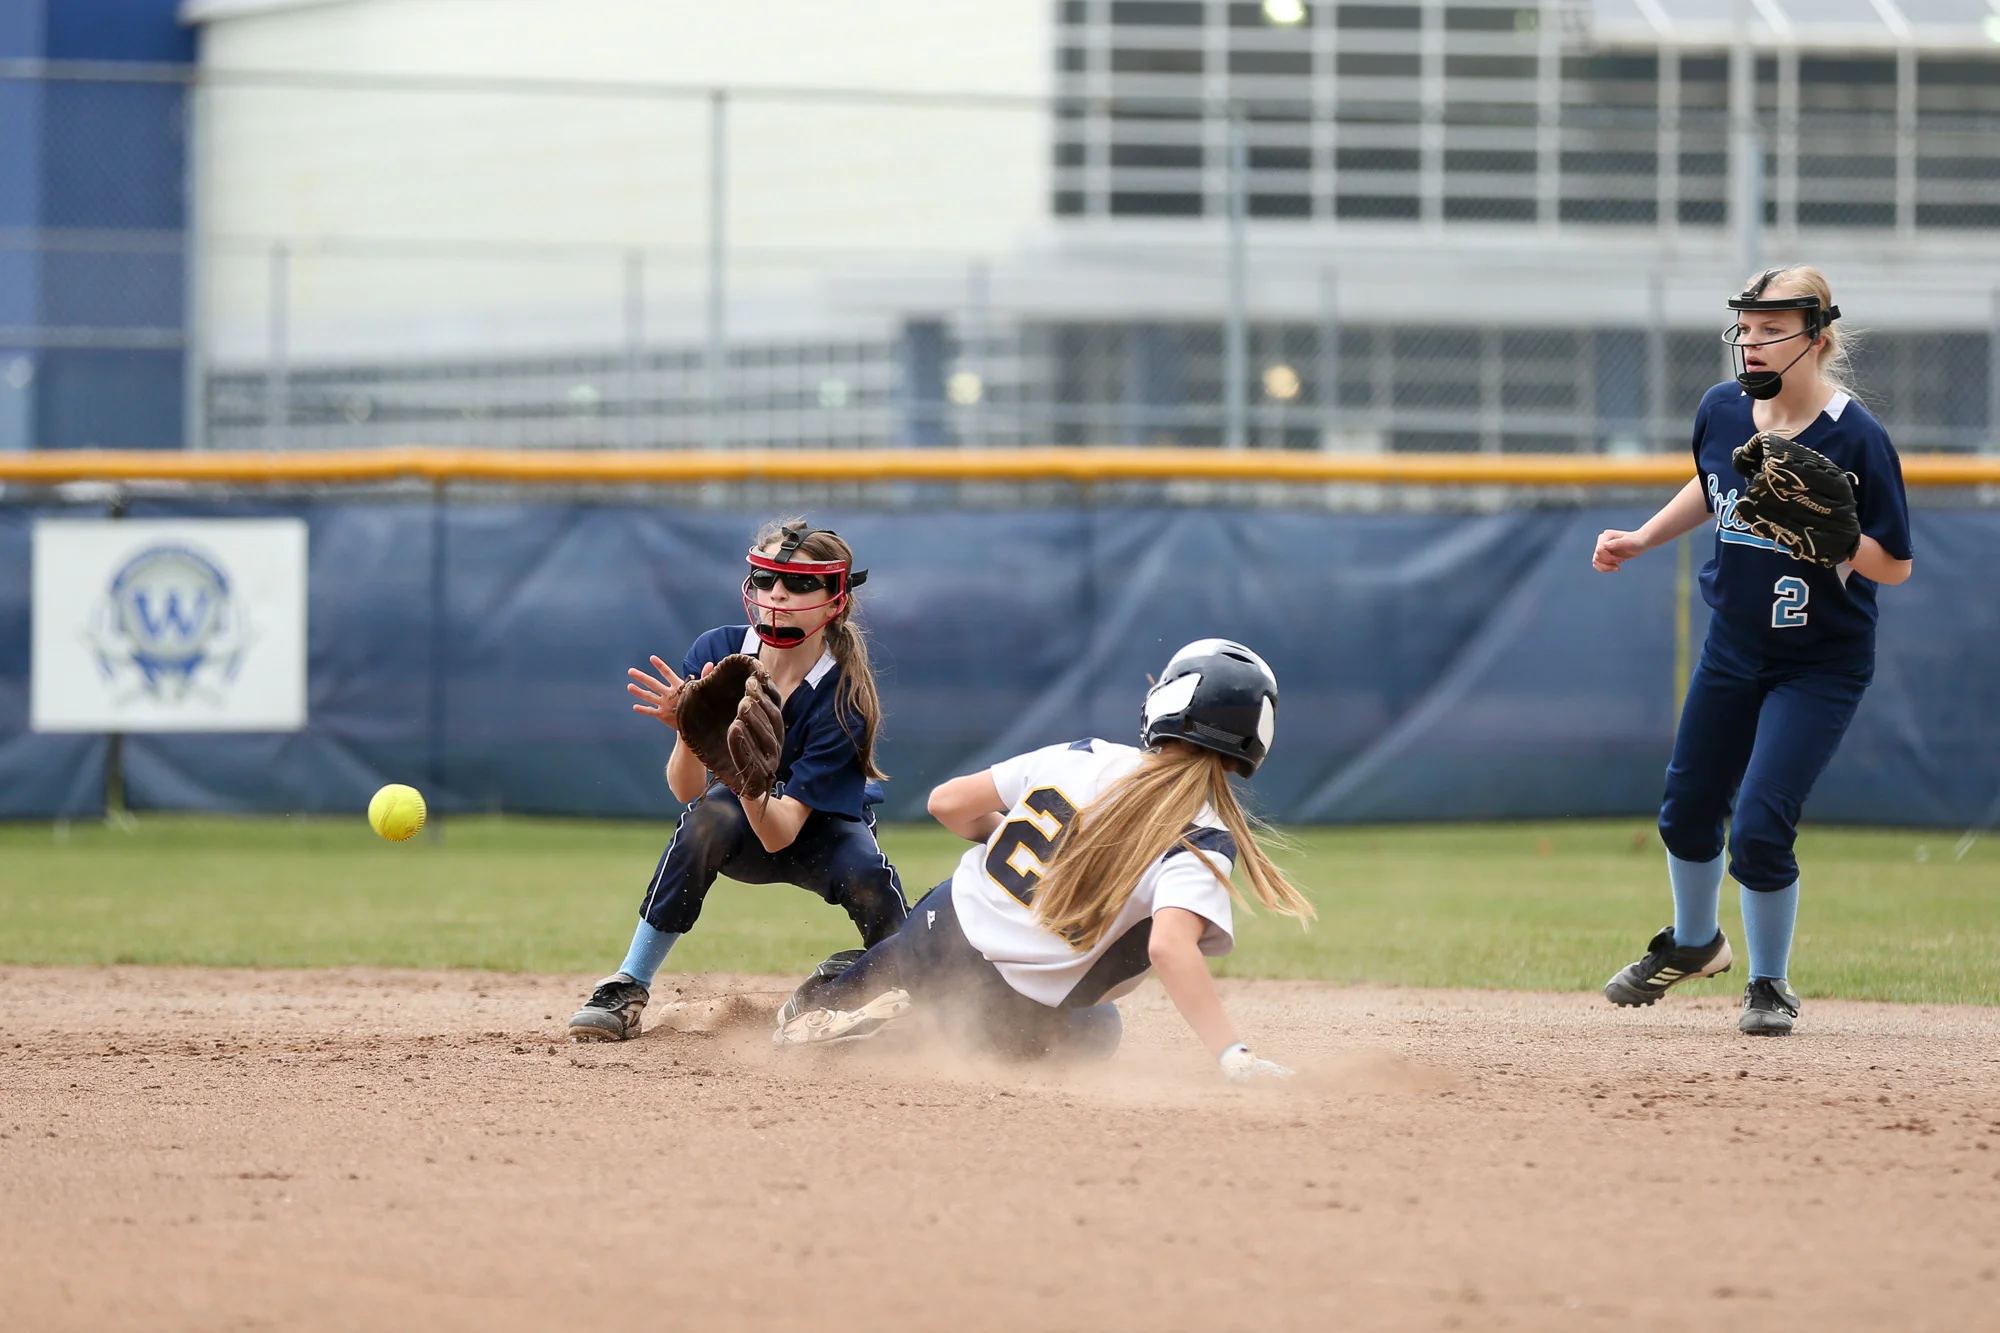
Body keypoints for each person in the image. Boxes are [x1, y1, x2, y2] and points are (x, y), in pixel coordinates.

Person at [1592, 266, 1913, 1036]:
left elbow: (1895, 565)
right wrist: (1641, 537)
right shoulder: (1723, 408)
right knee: (1686, 813)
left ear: (1818, 338)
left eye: (1775, 328)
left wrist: (1837, 538)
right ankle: (1695, 941)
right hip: (1733, 649)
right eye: (1749, 325)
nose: (1755, 341)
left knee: (1763, 827)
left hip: (1819, 663)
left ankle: (1770, 983)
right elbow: (1710, 486)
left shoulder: (1855, 437)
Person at [771, 639, 1313, 1080]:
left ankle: (838, 994)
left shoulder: (1086, 754)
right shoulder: (1204, 837)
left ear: (1167, 702)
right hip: (1011, 1013)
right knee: (1102, 1030)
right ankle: (910, 1034)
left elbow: (946, 804)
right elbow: (1169, 947)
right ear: (1254, 741)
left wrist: (1019, 845)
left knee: (963, 904)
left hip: (936, 932)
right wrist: (1232, 1057)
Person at [567, 520, 906, 1041]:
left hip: (818, 831)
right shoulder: (718, 651)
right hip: (742, 824)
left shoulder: (843, 697)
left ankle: (905, 979)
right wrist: (689, 729)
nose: (777, 594)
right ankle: (628, 983)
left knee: (866, 870)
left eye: (798, 584)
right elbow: (685, 792)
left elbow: (781, 833)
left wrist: (750, 779)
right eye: (767, 577)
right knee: (706, 820)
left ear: (835, 599)